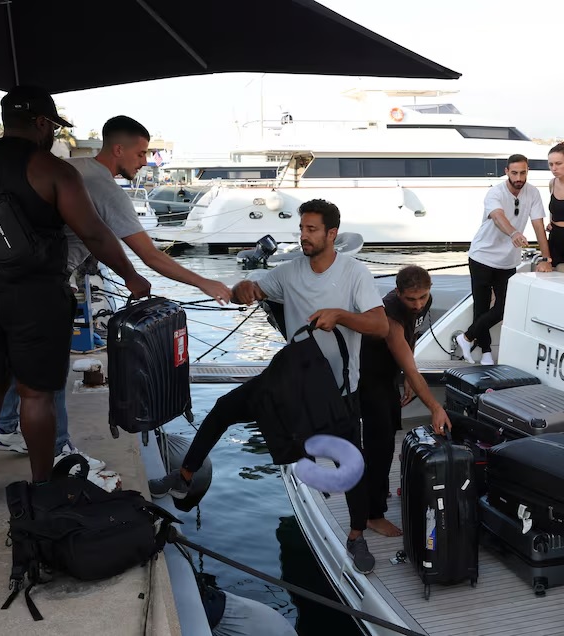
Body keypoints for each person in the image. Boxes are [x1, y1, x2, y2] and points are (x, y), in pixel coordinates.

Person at [149, 199, 389, 574]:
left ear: (331, 234)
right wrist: (244, 287)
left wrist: (341, 315)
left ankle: (356, 537)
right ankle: (183, 476)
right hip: (294, 382)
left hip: (339, 391)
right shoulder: (290, 272)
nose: (304, 236)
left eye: (312, 230)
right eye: (302, 229)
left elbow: (381, 326)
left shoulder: (354, 273)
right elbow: (253, 289)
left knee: (351, 466)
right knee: (226, 408)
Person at [0, 86, 151, 504]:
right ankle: (42, 487)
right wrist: (131, 276)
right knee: (36, 393)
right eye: (53, 125)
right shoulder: (52, 169)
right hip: (35, 294)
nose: (53, 133)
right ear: (41, 123)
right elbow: (93, 233)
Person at [0, 115, 232, 468]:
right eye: (141, 153)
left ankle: (6, 425)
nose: (145, 161)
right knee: (51, 370)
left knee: (20, 359)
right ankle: (60, 450)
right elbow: (150, 256)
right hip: (45, 283)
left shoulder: (70, 165)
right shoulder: (104, 187)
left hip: (5, 277)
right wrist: (205, 283)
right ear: (118, 149)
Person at [358, 265, 452, 537]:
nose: (418, 304)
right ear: (398, 292)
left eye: (423, 297)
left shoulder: (422, 300)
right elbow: (408, 361)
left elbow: (409, 344)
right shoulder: (389, 314)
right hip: (368, 378)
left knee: (387, 437)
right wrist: (435, 407)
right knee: (380, 444)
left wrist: (406, 376)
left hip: (388, 375)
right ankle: (372, 515)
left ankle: (378, 492)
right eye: (411, 299)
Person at [455, 154, 553, 365]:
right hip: (482, 256)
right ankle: (487, 353)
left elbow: (538, 226)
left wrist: (546, 258)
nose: (519, 177)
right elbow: (498, 217)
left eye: (523, 172)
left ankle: (465, 338)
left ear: (527, 172)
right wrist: (514, 233)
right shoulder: (495, 193)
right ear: (506, 171)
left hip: (508, 261)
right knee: (481, 308)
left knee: (504, 306)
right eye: (515, 172)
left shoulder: (533, 193)